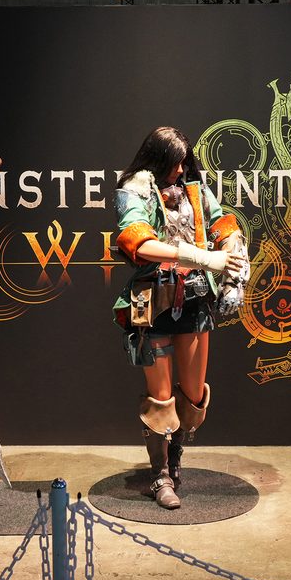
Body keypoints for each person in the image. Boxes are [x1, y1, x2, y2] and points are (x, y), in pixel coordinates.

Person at [112, 126, 248, 509]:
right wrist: (204, 258)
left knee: (193, 395)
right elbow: (138, 241)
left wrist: (235, 267)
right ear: (157, 160)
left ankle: (175, 459)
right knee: (160, 398)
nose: (179, 170)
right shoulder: (134, 190)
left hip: (194, 298)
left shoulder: (194, 190)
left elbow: (224, 224)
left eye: (184, 162)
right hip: (151, 300)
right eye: (174, 163)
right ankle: (160, 476)